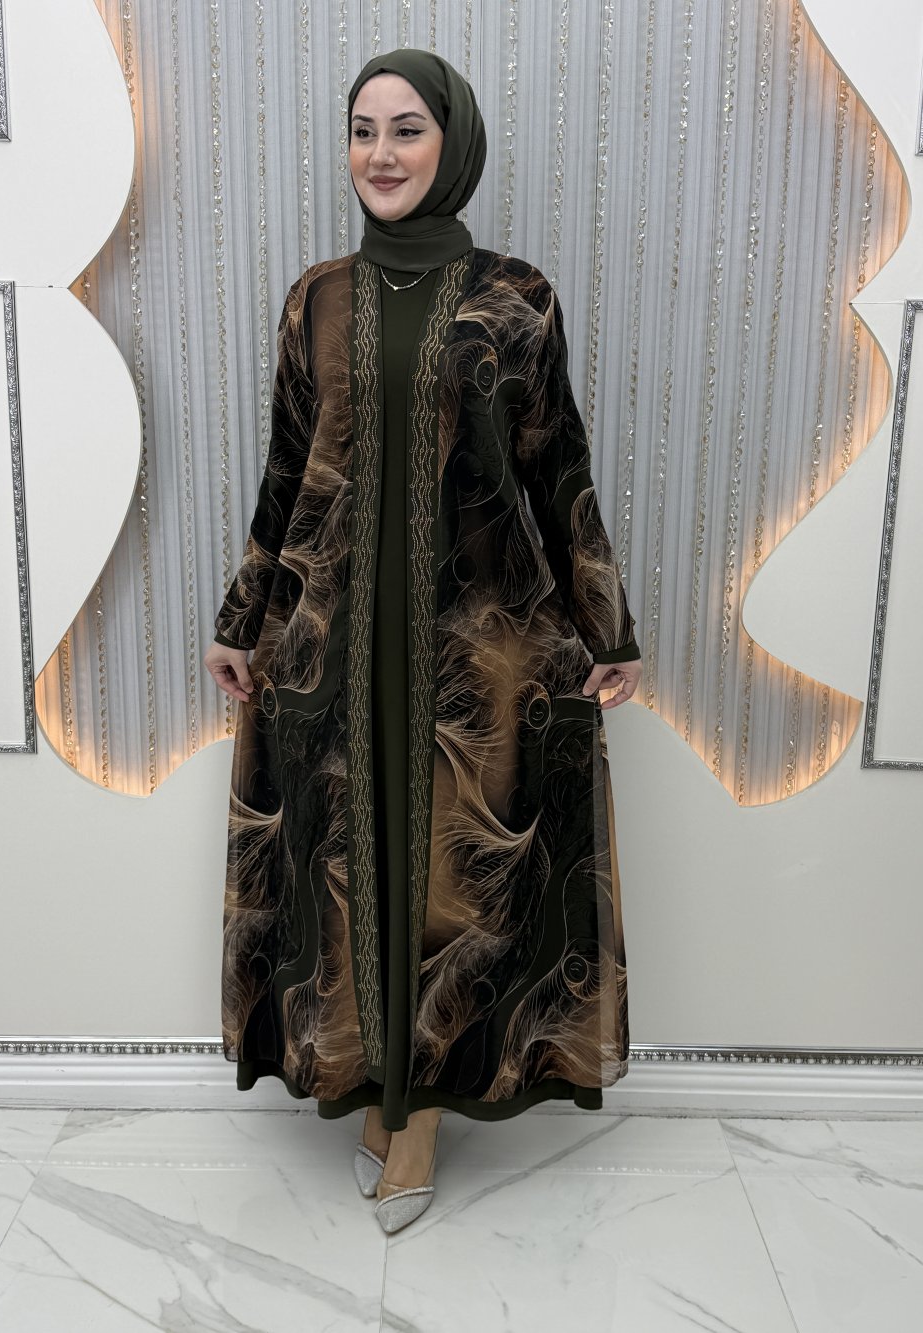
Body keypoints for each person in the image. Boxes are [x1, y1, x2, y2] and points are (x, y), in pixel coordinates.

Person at [203, 48, 642, 1234]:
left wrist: (607, 625)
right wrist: (244, 618)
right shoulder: (316, 298)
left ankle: (421, 1116)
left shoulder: (516, 297)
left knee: (453, 885)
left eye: (406, 129)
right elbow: (286, 471)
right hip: (332, 646)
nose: (381, 153)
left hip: (474, 655)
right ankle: (369, 1079)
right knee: (350, 866)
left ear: (453, 144)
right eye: (362, 130)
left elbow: (558, 467)